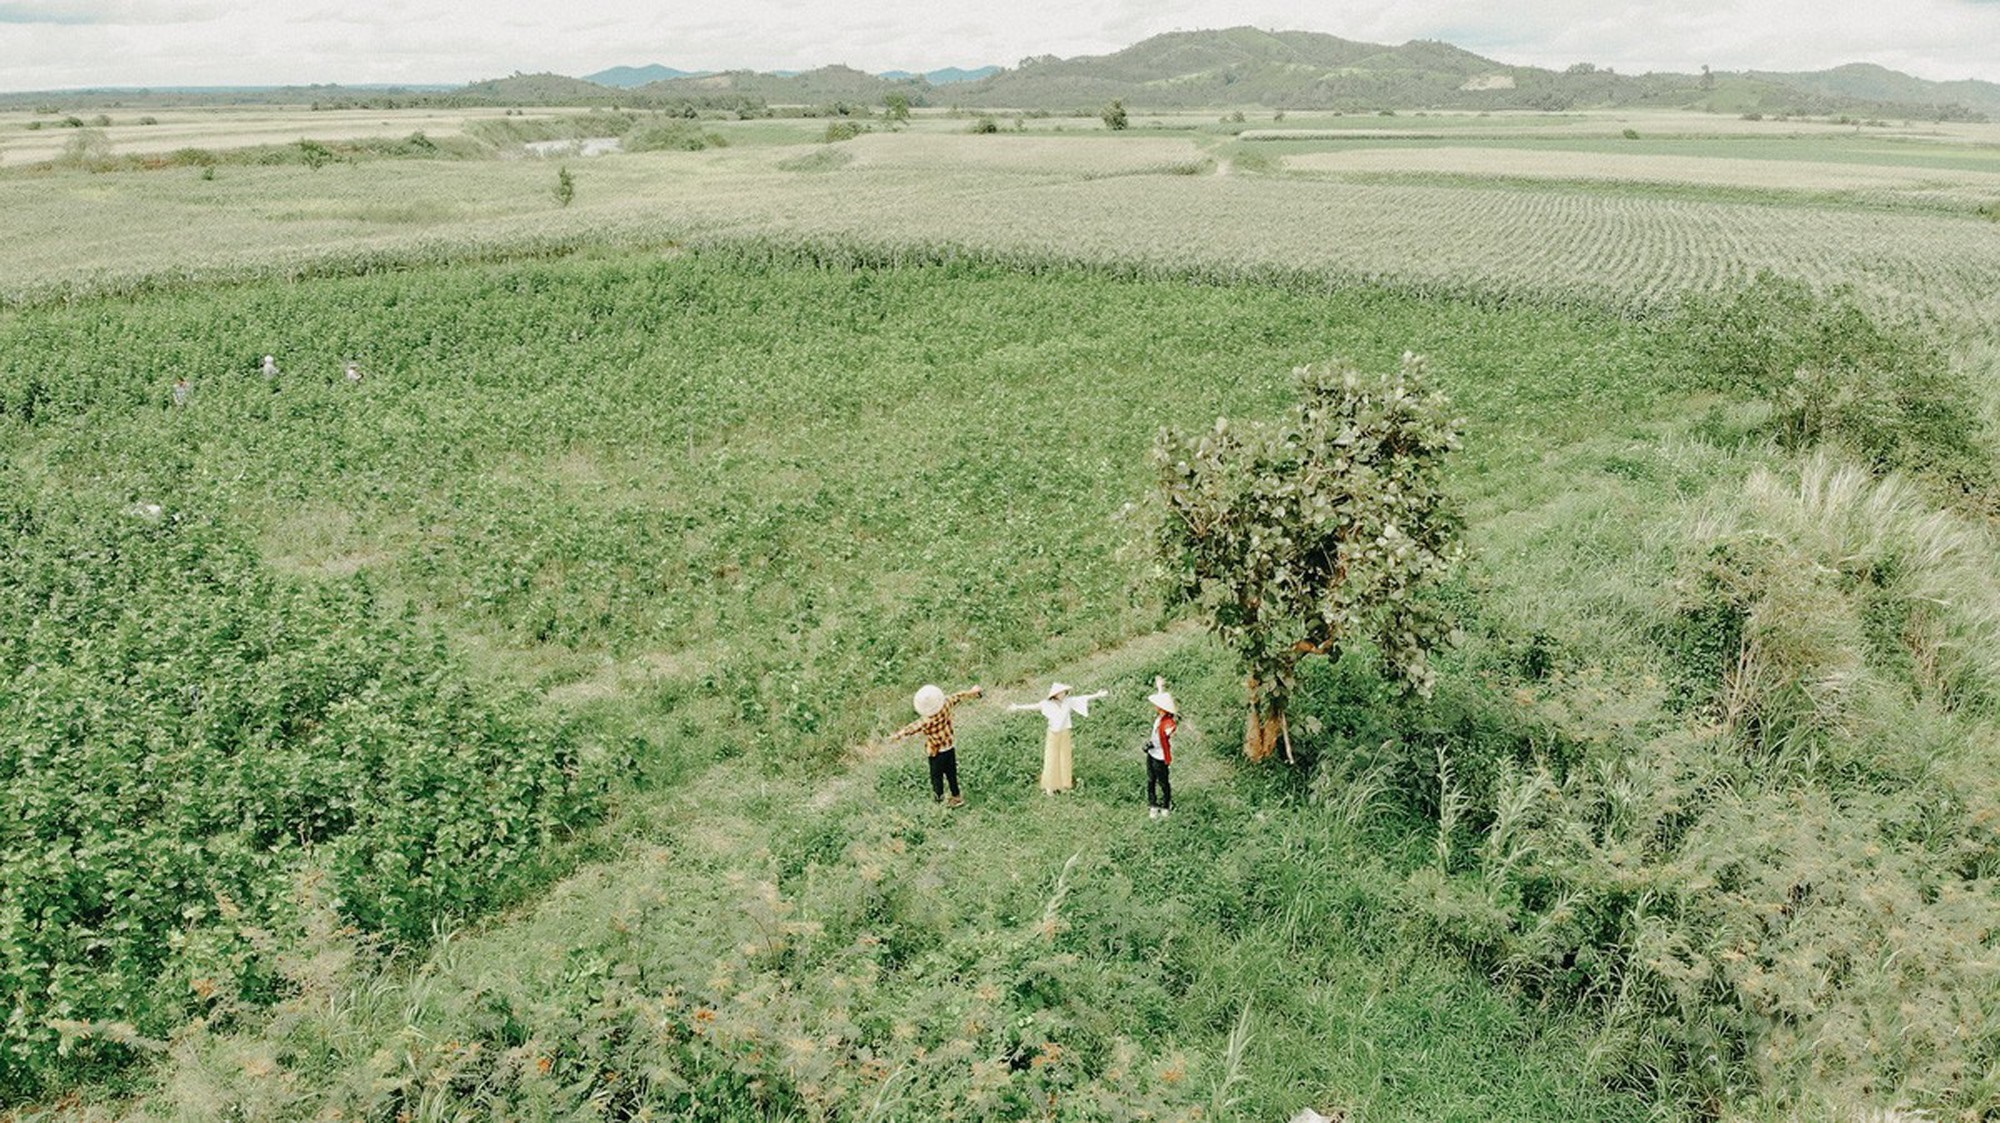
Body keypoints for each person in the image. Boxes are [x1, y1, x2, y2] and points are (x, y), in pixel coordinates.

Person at [892, 683, 982, 806]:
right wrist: (973, 691)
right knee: (952, 775)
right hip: (950, 748)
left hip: (936, 752)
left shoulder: (926, 721)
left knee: (936, 778)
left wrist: (896, 736)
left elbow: (911, 728)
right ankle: (957, 797)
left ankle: (939, 801)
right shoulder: (946, 705)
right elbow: (958, 696)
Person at [1010, 682, 1106, 795]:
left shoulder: (1068, 702)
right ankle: (1050, 787)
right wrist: (1017, 707)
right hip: (1053, 734)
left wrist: (1098, 695)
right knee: (1051, 758)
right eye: (1061, 693)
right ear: (1055, 694)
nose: (1063, 694)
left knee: (1065, 757)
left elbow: (1083, 698)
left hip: (1065, 733)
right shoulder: (1046, 704)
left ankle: (1064, 785)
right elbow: (1033, 706)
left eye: (1064, 692)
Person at [1145, 677, 1177, 819]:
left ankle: (1166, 804)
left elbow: (1170, 730)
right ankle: (1153, 804)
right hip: (1152, 753)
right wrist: (1160, 688)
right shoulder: (1160, 718)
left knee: (1163, 782)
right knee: (1151, 779)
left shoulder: (1168, 722)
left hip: (1160, 756)